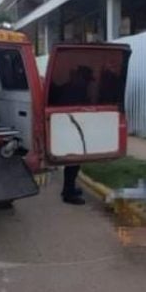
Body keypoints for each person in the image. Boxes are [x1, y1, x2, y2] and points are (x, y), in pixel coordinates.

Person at [55, 66, 96, 205]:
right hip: (71, 129)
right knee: (73, 163)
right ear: (81, 79)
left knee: (73, 163)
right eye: (87, 80)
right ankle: (68, 193)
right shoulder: (74, 90)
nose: (88, 83)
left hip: (70, 129)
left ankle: (69, 189)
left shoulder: (70, 87)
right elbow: (78, 109)